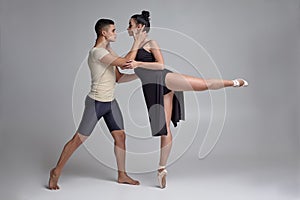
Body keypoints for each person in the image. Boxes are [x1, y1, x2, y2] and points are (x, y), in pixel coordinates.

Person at [125, 10, 248, 189]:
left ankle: (233, 82)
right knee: (164, 130)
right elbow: (135, 72)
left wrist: (138, 63)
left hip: (164, 79)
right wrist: (118, 77)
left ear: (139, 26)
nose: (127, 28)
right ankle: (161, 170)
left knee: (202, 85)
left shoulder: (151, 43)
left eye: (130, 24)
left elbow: (160, 65)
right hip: (150, 88)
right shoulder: (134, 49)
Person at [48, 18, 147, 190]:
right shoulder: (97, 53)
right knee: (78, 140)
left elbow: (119, 76)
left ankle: (122, 175)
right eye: (113, 30)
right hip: (96, 103)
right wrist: (137, 40)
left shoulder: (108, 51)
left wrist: (141, 76)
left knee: (121, 137)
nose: (116, 33)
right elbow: (125, 62)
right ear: (104, 33)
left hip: (111, 103)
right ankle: (56, 171)